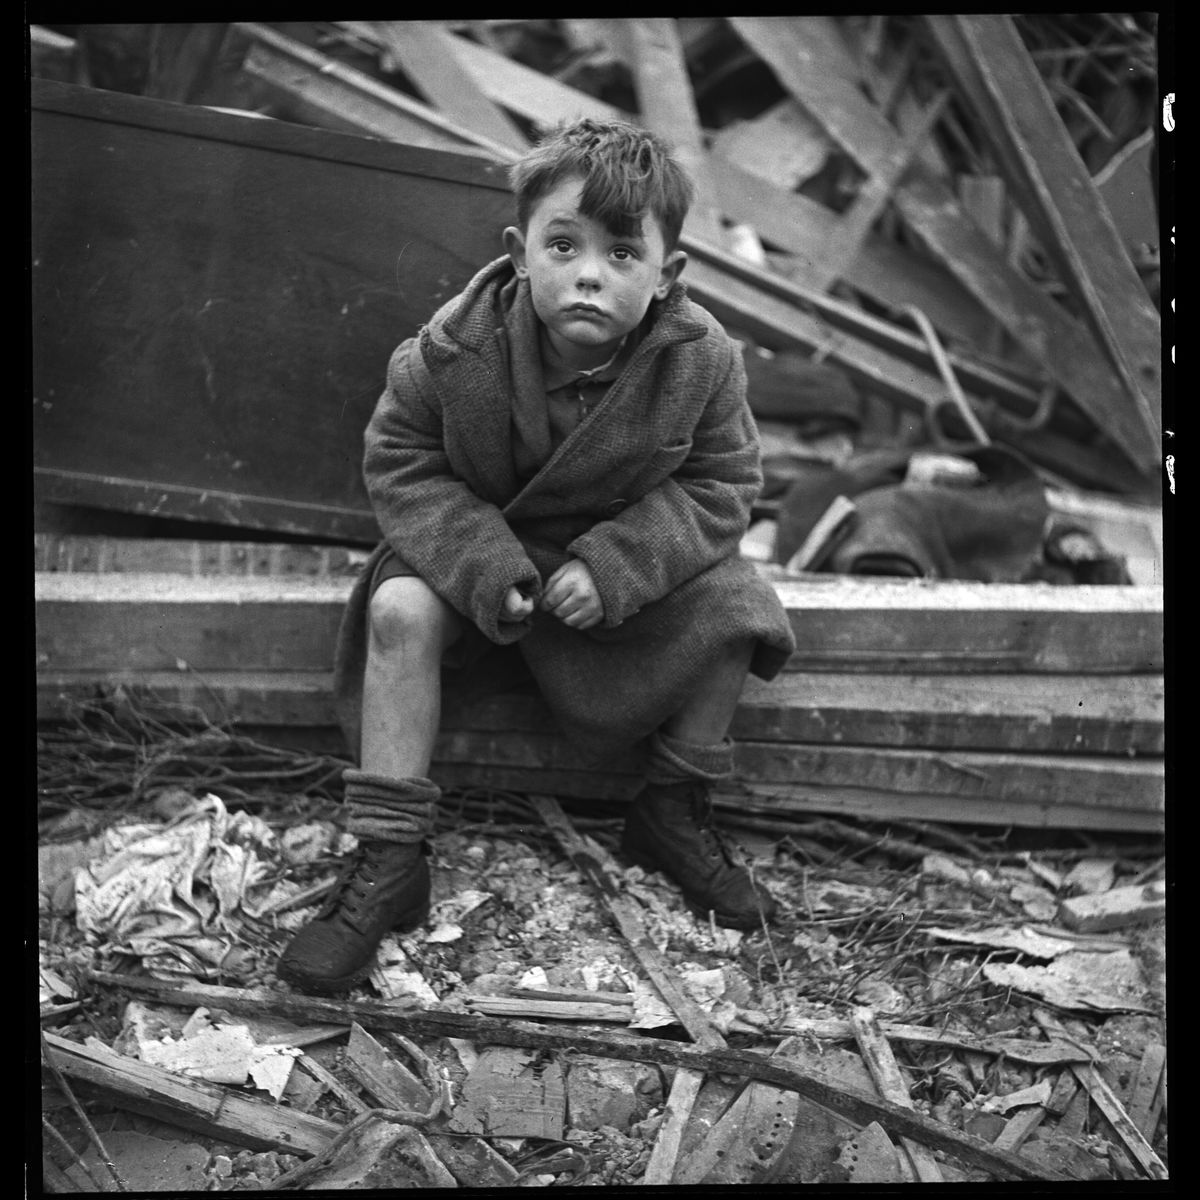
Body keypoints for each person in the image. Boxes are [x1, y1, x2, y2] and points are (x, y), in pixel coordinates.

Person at [277, 118, 797, 994]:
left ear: (667, 275)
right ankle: (390, 857)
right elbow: (402, 464)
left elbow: (723, 483)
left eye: (623, 255)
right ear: (521, 253)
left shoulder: (701, 361)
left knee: (743, 611)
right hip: (483, 553)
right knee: (398, 610)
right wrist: (483, 563)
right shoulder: (453, 348)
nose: (589, 273)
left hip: (612, 572)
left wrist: (617, 564)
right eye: (565, 245)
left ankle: (671, 810)